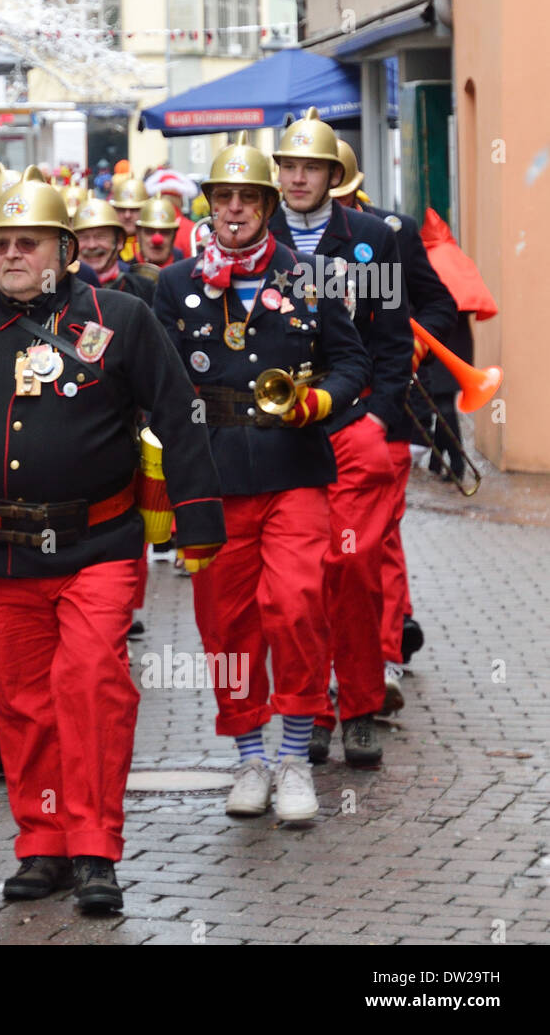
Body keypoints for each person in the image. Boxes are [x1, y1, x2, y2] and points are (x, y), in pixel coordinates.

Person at [0, 166, 227, 913]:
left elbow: (178, 410)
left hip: (98, 540)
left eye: (29, 242)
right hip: (0, 549)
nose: (13, 254)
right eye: (2, 242)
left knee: (89, 688)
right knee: (22, 701)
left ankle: (94, 848)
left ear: (63, 249)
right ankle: (41, 842)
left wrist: (200, 521)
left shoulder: (118, 316)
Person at [154, 134, 370, 822]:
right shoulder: (176, 283)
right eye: (225, 197)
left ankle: (297, 755)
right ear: (210, 205)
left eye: (250, 197)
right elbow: (155, 381)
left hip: (293, 466)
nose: (236, 208)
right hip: (212, 474)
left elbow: (352, 363)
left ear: (270, 205)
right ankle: (250, 754)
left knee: (298, 603)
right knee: (224, 622)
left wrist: (321, 402)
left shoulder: (309, 275)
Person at [268, 110, 415, 769]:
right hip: (281, 438)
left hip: (352, 427)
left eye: (311, 167)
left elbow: (391, 338)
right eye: (288, 166)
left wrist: (381, 417)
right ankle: (312, 712)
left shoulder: (370, 240)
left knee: (354, 570)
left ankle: (358, 706)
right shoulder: (255, 236)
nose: (298, 178)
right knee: (299, 584)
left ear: (335, 175)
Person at [329, 139, 457, 715]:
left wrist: (407, 354)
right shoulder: (280, 235)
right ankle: (337, 661)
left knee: (377, 539)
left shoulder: (389, 233)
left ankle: (381, 656)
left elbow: (437, 305)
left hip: (382, 409)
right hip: (316, 416)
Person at [134, 192, 182, 274]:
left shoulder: (185, 274)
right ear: (138, 235)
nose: (157, 240)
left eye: (164, 232)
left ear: (173, 236)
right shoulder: (125, 274)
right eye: (149, 232)